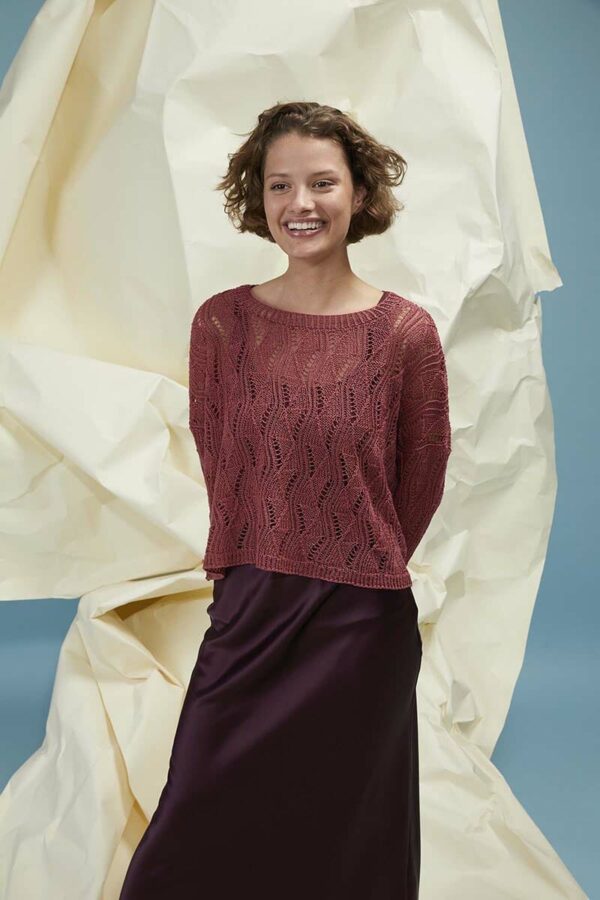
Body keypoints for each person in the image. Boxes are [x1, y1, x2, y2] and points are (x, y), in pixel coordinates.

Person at [119, 100, 451, 900]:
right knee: (197, 819)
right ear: (258, 198)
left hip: (359, 626)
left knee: (347, 840)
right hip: (251, 607)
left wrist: (355, 557)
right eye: (279, 185)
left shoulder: (405, 335)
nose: (301, 203)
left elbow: (422, 476)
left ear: (360, 193)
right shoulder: (222, 326)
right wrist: (264, 557)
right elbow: (221, 459)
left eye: (322, 182)